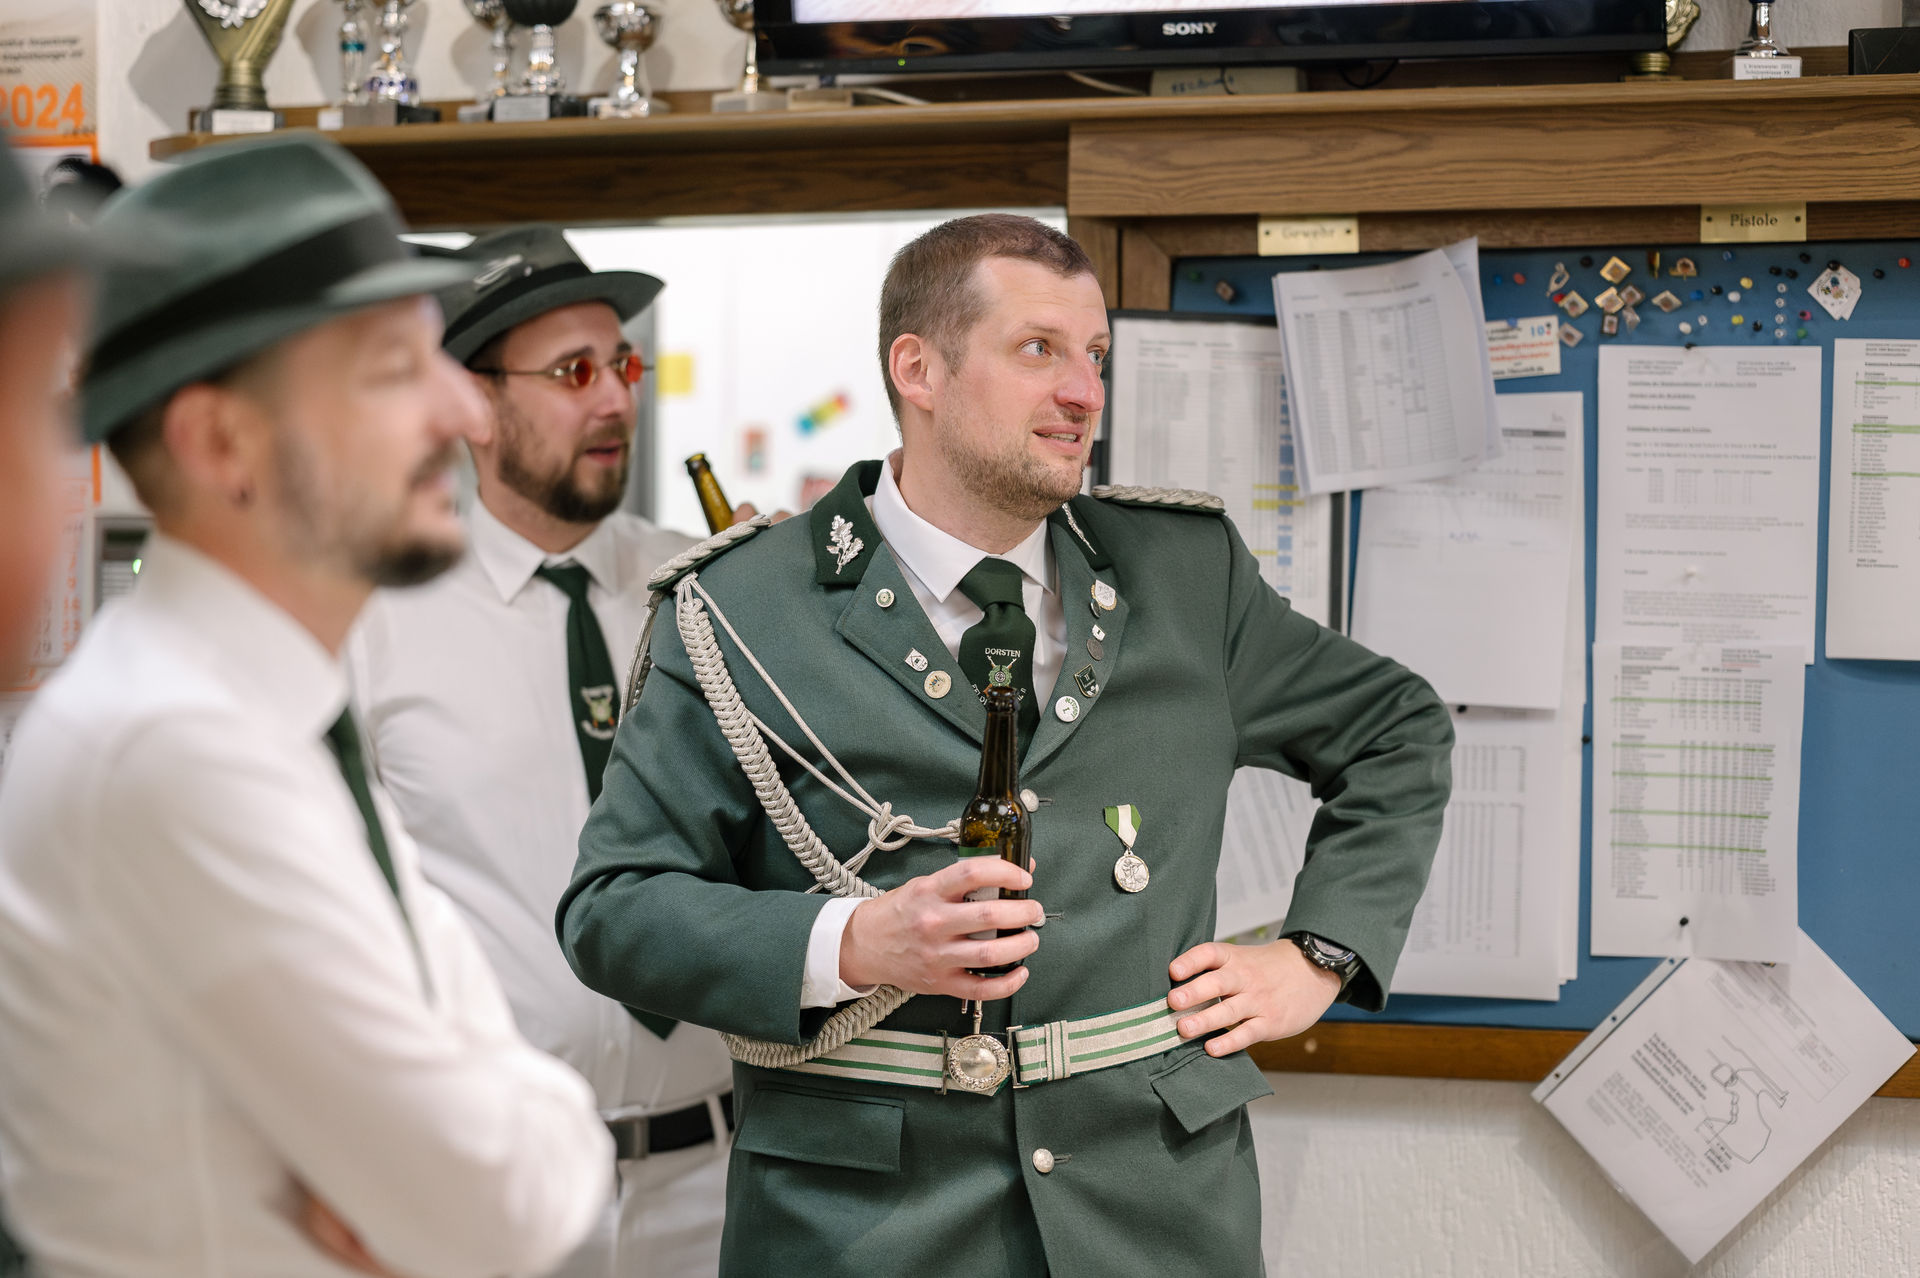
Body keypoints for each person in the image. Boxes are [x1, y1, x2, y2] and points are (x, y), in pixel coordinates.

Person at [558, 212, 1454, 1275]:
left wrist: (1319, 954)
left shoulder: (1187, 575)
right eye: (1039, 350)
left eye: (1096, 355)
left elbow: (1397, 730)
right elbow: (615, 911)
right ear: (919, 370)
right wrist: (856, 943)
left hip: (1152, 1218)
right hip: (860, 1230)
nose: (1085, 392)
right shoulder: (741, 609)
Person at [0, 135, 612, 1278]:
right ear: (221, 441)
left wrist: (497, 1141)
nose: (463, 415)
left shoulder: (274, 714)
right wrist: (499, 1147)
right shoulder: (175, 750)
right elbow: (506, 1213)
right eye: (391, 369)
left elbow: (515, 1196)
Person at [347, 226, 735, 1277]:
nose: (614, 400)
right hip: (486, 1191)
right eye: (572, 373)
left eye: (622, 365)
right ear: (473, 404)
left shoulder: (708, 591)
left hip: (717, 1181)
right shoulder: (375, 620)